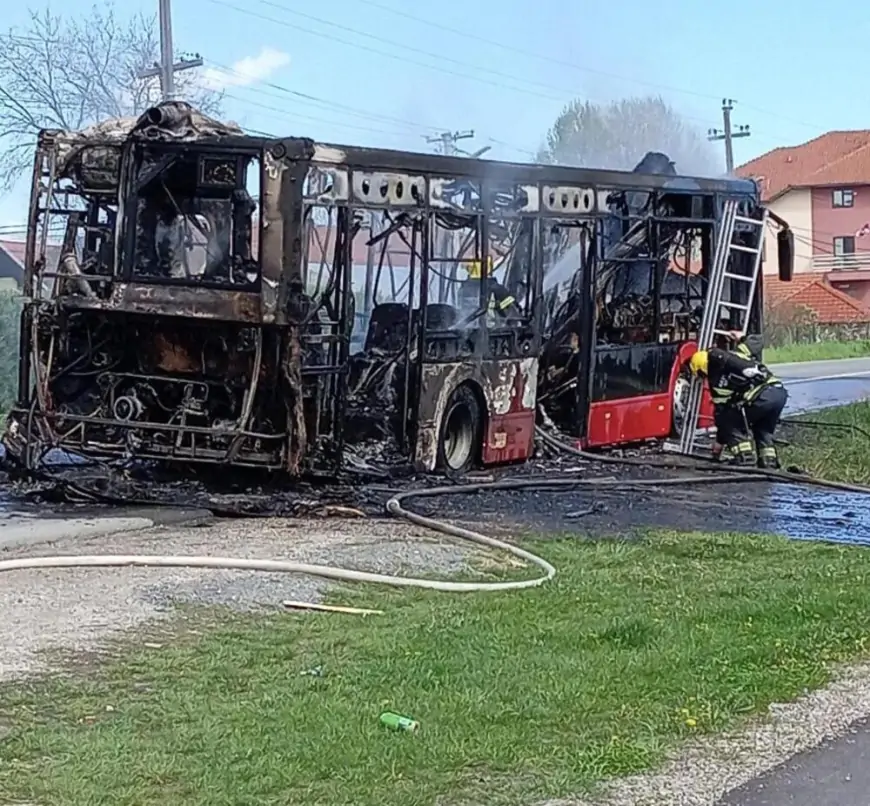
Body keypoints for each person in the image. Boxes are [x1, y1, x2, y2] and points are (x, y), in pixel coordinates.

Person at [688, 341, 788, 468]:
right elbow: (757, 341)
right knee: (763, 429)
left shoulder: (717, 380)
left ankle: (744, 456)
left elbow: (721, 416)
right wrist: (742, 337)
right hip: (779, 392)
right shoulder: (735, 355)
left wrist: (719, 442)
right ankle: (769, 461)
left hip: (762, 396)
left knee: (731, 423)